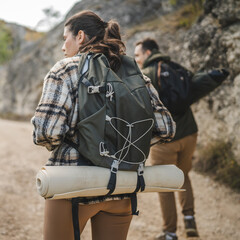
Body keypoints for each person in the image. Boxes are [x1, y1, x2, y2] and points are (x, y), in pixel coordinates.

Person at [32, 11, 172, 240]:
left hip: (73, 184)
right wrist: (121, 145)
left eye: (63, 38)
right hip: (121, 187)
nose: (62, 46)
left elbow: (47, 133)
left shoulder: (65, 69)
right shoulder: (134, 74)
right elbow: (166, 128)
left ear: (80, 36)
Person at [134, 38, 229, 240]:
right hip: (189, 134)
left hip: (165, 141)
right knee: (184, 174)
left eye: (138, 55)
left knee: (164, 184)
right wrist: (215, 76)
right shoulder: (176, 68)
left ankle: (170, 232)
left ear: (148, 53)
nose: (137, 60)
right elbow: (195, 86)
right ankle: (189, 220)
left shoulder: (145, 76)